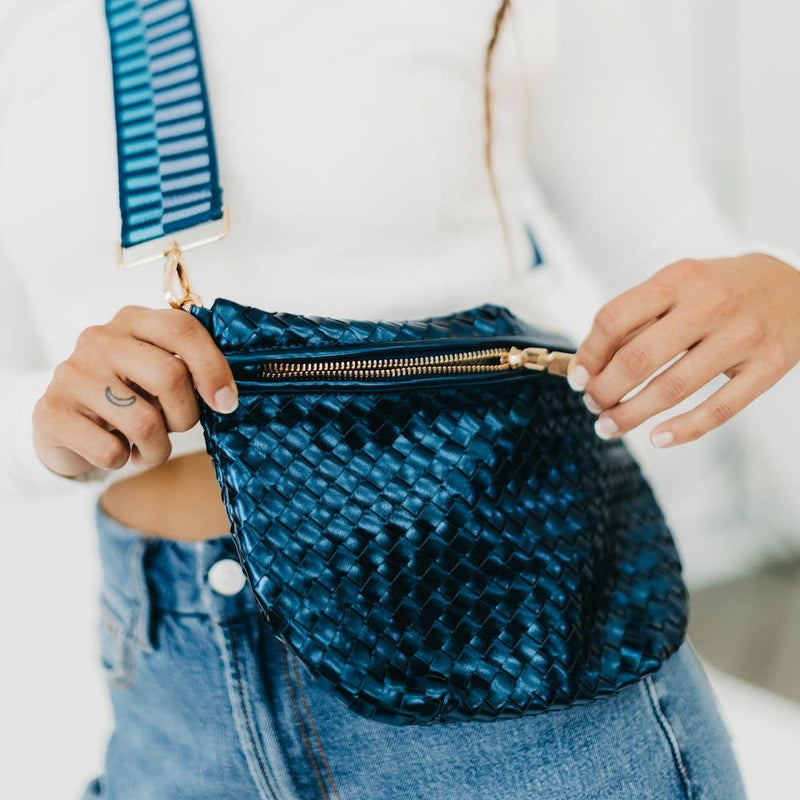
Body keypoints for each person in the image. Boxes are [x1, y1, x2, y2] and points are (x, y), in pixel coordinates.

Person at [3, 0, 799, 797]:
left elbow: (675, 245)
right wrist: (51, 422)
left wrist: (779, 285)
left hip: (494, 618)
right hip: (173, 684)